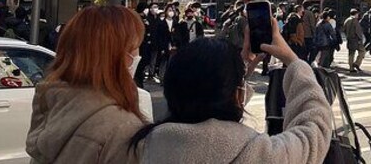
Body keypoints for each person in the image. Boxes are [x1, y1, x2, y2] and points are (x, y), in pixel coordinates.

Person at [131, 21, 332, 163]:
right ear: (237, 95)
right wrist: (293, 61)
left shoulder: (145, 147)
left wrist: (237, 71)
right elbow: (314, 128)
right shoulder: (259, 153)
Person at [26, 6, 147, 163]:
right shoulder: (122, 129)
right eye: (135, 48)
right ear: (121, 57)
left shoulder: (54, 103)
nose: (137, 56)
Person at [343, 9, 366, 73]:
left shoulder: (346, 20)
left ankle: (351, 68)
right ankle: (357, 63)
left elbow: (344, 30)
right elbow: (358, 31)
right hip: (356, 39)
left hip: (349, 39)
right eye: (357, 14)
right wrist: (360, 39)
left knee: (351, 54)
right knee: (362, 51)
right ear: (356, 14)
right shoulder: (355, 21)